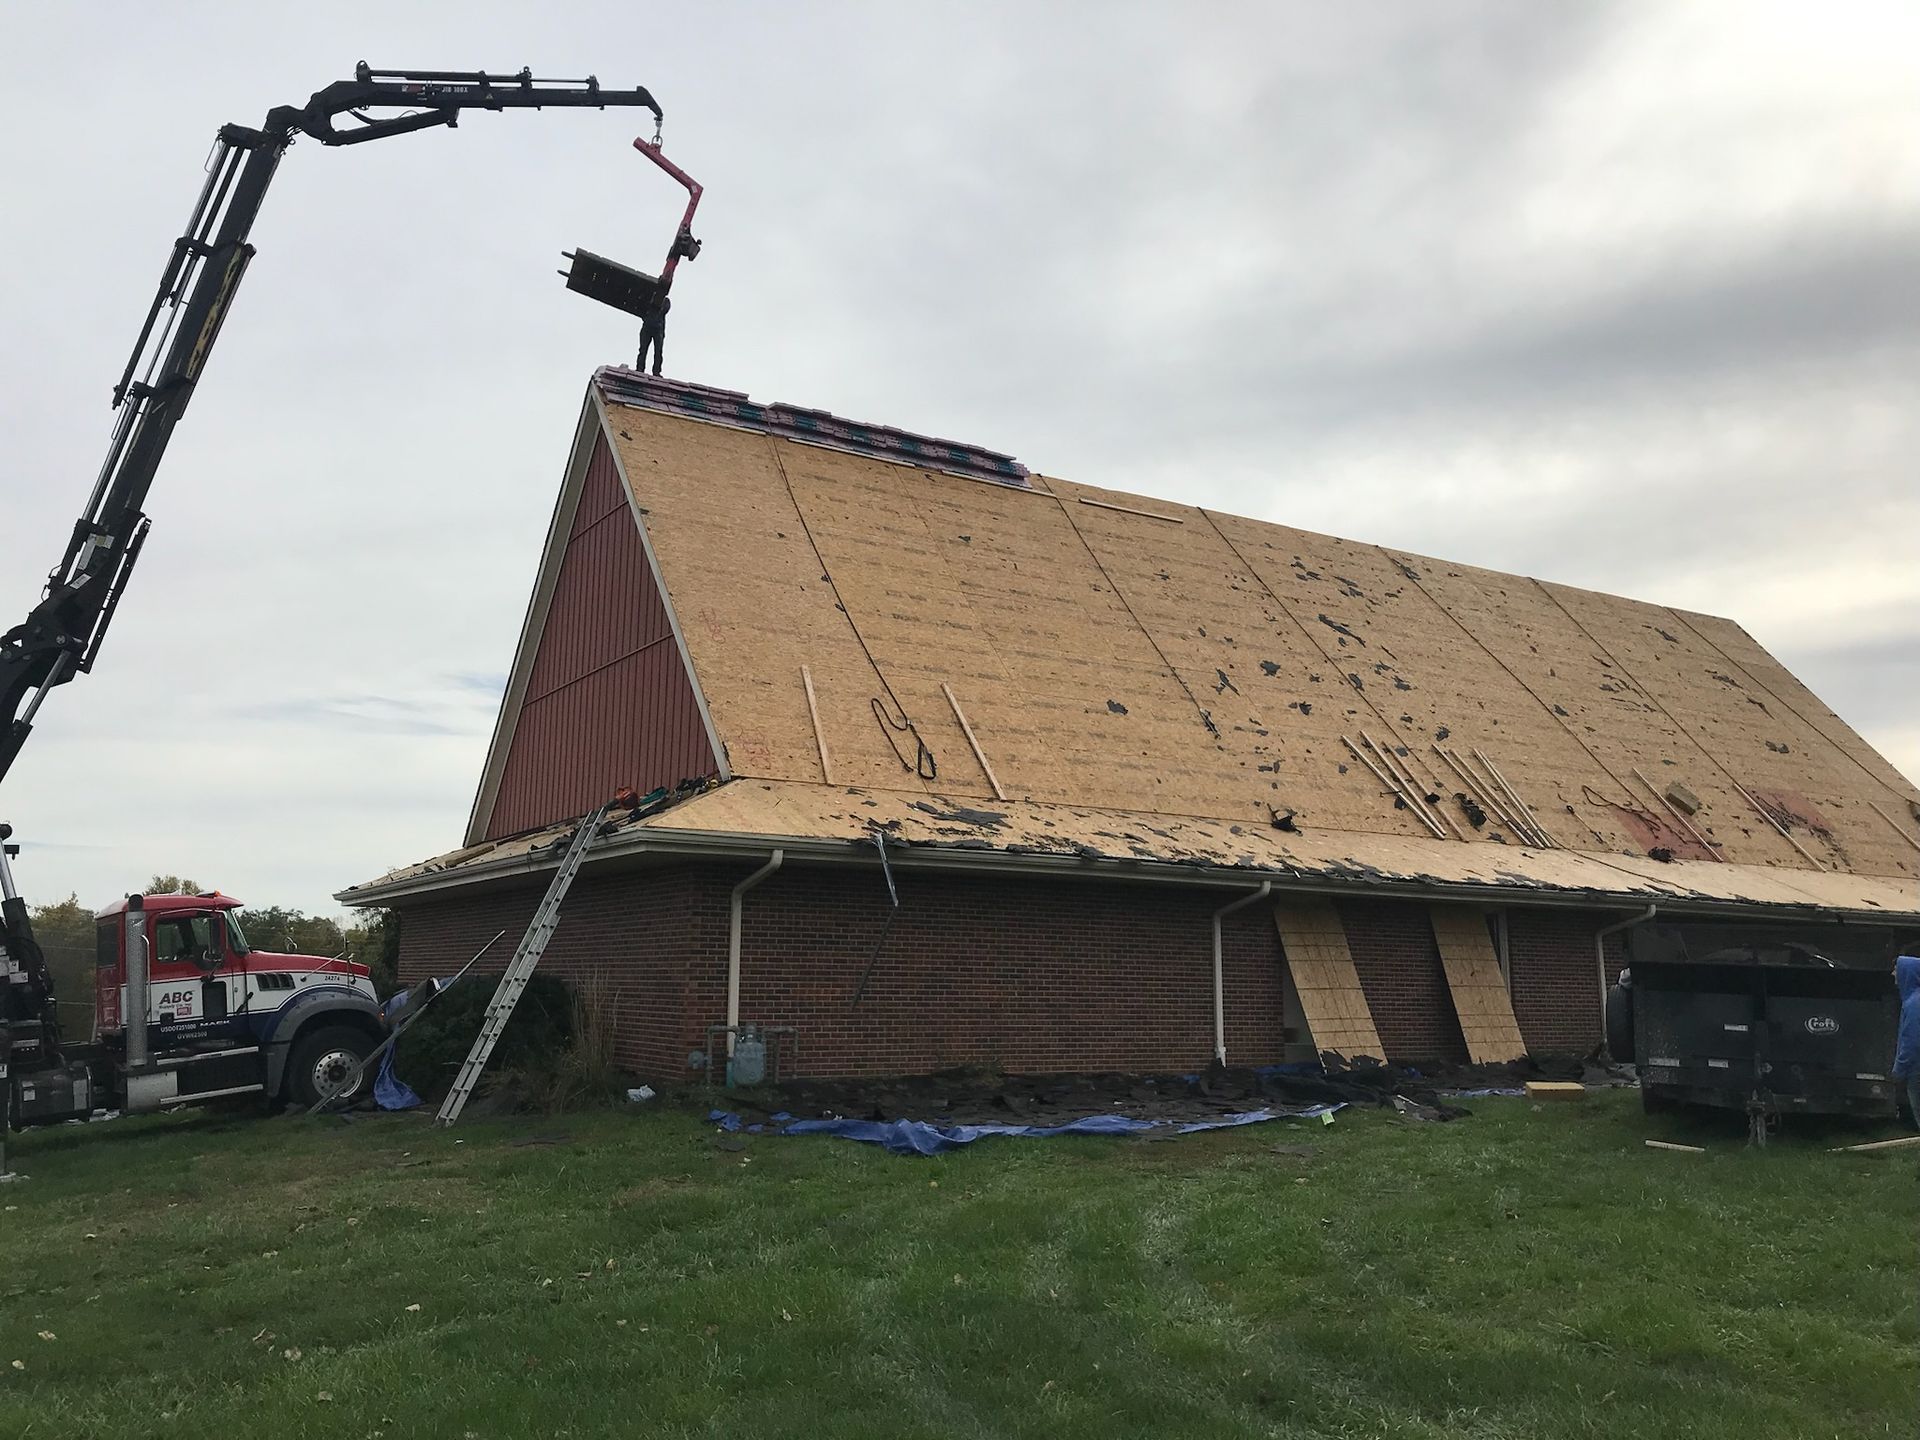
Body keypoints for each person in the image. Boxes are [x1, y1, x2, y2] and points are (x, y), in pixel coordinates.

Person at [1894, 952, 1920, 1129]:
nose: (1893, 973)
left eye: (1896, 969)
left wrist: (1899, 1069)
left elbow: (1912, 1040)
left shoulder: (1914, 1003)